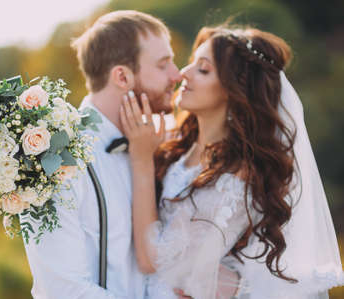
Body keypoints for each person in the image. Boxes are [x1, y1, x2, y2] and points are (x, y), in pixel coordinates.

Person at [120, 25, 344, 298]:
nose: (183, 73)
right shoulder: (176, 142)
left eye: (202, 69)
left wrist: (141, 160)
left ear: (233, 90)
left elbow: (153, 259)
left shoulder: (237, 176)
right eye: (192, 63)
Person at [21, 10, 185, 298]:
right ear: (122, 76)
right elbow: (63, 290)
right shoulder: (53, 159)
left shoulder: (156, 144)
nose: (177, 74)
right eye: (163, 65)